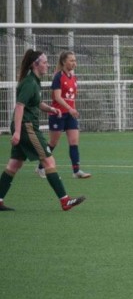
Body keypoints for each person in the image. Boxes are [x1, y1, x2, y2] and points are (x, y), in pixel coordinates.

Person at [0, 49, 86, 212]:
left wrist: (51, 109)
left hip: (25, 126)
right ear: (35, 64)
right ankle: (65, 201)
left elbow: (36, 103)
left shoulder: (34, 81)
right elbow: (19, 106)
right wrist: (18, 132)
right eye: (45, 62)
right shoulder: (29, 83)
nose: (48, 65)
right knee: (48, 161)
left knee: (14, 164)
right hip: (27, 127)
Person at [36, 50, 91, 179]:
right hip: (58, 114)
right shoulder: (58, 77)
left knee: (74, 142)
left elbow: (72, 98)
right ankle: (40, 167)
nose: (74, 63)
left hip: (70, 115)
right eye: (71, 60)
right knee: (53, 143)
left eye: (75, 60)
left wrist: (73, 110)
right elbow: (57, 97)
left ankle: (76, 171)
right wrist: (69, 109)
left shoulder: (74, 78)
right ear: (63, 62)